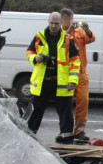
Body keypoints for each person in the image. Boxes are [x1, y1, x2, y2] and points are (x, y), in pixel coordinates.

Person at [25, 11, 80, 144]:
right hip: (42, 81)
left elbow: (75, 61)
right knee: (36, 110)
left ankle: (66, 138)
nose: (54, 26)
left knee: (65, 111)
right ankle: (28, 136)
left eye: (56, 23)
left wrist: (73, 80)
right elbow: (29, 52)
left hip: (60, 82)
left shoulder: (68, 39)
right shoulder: (39, 36)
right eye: (51, 23)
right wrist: (35, 58)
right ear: (48, 22)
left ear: (61, 23)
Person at [60, 7, 95, 144]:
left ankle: (79, 131)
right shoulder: (59, 32)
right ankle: (65, 130)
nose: (70, 21)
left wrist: (87, 29)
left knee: (83, 102)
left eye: (71, 18)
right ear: (62, 19)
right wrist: (68, 33)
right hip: (66, 74)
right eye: (67, 19)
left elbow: (91, 39)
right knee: (65, 104)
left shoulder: (79, 31)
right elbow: (60, 46)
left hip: (81, 73)